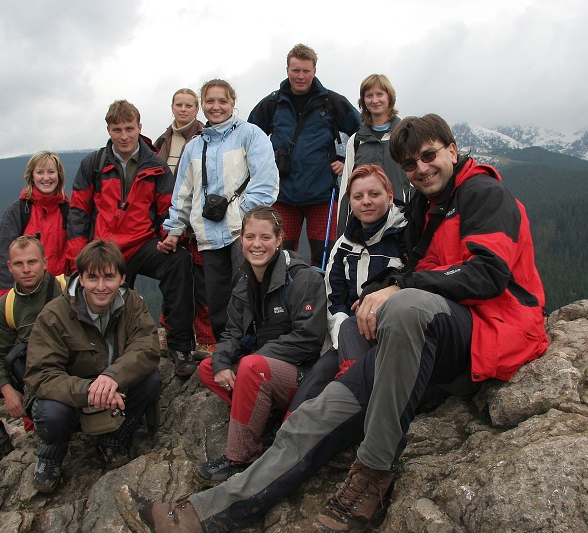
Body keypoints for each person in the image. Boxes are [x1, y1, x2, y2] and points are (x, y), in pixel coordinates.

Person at [115, 114, 550, 533]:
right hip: (419, 345)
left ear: (452, 151)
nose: (421, 168)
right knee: (311, 417)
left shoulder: (482, 194)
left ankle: (374, 473)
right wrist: (385, 292)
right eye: (411, 164)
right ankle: (202, 515)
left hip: (491, 332)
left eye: (429, 155)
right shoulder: (426, 207)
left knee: (404, 307)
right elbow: (412, 271)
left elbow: (488, 274)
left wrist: (398, 289)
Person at [194, 206, 327, 485]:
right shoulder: (244, 281)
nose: (257, 244)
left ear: (279, 239)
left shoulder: (303, 278)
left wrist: (249, 362)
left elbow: (309, 339)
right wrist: (221, 364)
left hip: (303, 375)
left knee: (252, 367)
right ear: (241, 239)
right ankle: (263, 419)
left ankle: (240, 457)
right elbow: (231, 332)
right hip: (263, 368)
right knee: (208, 368)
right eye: (250, 236)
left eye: (265, 237)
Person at [67, 99, 197, 377]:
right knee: (92, 293)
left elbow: (168, 209)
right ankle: (96, 355)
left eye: (129, 128)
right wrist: (79, 256)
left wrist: (167, 237)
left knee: (179, 262)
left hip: (142, 243)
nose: (124, 136)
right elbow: (78, 211)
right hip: (103, 249)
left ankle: (180, 347)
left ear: (140, 127)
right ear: (108, 130)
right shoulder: (94, 164)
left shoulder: (156, 166)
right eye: (117, 130)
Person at [24, 239, 162, 493]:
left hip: (115, 388)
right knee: (51, 414)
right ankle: (51, 454)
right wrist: (88, 390)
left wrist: (112, 377)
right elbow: (41, 375)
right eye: (93, 278)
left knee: (151, 380)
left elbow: (148, 346)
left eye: (109, 277)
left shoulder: (132, 303)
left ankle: (112, 439)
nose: (101, 286)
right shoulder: (54, 314)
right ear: (81, 278)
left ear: (122, 278)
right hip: (72, 397)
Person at [159, 80, 279, 342]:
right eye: (210, 101)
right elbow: (183, 194)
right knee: (217, 302)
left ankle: (253, 355)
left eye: (222, 101)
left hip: (243, 234)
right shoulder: (194, 146)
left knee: (248, 296)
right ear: (202, 105)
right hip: (208, 236)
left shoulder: (250, 135)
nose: (216, 107)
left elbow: (265, 180)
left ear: (233, 103)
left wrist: (244, 214)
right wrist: (174, 229)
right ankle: (226, 357)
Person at [287, 164, 407, 411]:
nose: (366, 202)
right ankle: (286, 438)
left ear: (390, 196)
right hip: (350, 335)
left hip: (394, 334)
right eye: (358, 196)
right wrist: (343, 337)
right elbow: (334, 298)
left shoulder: (405, 234)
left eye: (374, 194)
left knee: (352, 386)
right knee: (314, 382)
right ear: (350, 202)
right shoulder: (343, 244)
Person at [0, 235, 65, 485]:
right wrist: (7, 390)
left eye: (32, 262)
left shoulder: (66, 289)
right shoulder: (5, 306)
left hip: (60, 371)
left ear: (45, 263)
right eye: (19, 264)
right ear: (9, 267)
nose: (26, 269)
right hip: (25, 370)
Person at [248, 43, 361, 268]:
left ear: (314, 71)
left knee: (325, 258)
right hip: (283, 195)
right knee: (280, 257)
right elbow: (249, 137)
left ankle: (324, 301)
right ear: (287, 69)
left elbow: (362, 133)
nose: (300, 76)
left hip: (322, 195)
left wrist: (347, 162)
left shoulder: (331, 101)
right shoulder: (273, 103)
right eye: (295, 70)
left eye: (306, 71)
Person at [155, 88, 216, 353]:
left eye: (188, 105)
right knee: (174, 280)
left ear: (196, 108)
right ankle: (170, 331)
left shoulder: (205, 138)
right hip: (167, 220)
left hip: (194, 223)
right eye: (178, 104)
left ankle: (206, 337)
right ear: (172, 107)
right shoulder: (162, 141)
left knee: (201, 283)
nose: (183, 110)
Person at [336, 74, 412, 235]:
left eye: (379, 94)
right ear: (363, 101)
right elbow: (346, 190)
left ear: (389, 98)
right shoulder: (356, 141)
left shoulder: (405, 135)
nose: (374, 100)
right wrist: (341, 233)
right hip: (364, 225)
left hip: (401, 221)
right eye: (369, 95)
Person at [0, 150, 71, 301]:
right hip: (26, 298)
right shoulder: (19, 211)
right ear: (31, 176)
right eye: (40, 172)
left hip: (60, 296)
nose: (46, 178)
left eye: (51, 172)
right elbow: (2, 256)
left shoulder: (68, 211)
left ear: (59, 176)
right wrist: (5, 301)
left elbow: (76, 254)